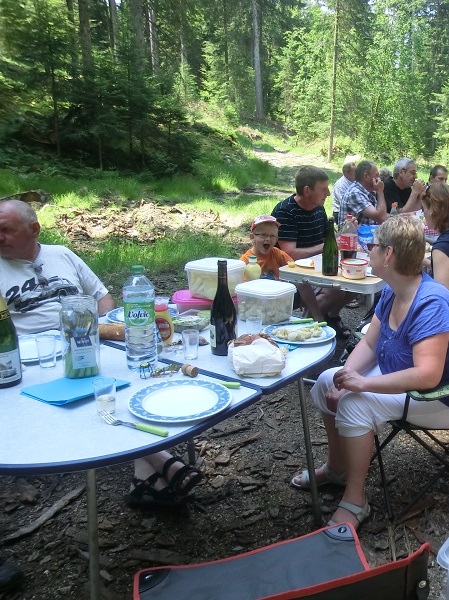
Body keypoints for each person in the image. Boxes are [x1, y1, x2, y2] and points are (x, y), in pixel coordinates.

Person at [0, 200, 203, 507]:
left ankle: (146, 480)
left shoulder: (61, 254)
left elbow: (102, 298)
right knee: (102, 393)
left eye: (6, 230)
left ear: (34, 229)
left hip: (89, 345)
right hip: (39, 360)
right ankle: (164, 463)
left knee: (129, 382)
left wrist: (105, 331)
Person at [290, 216, 449, 528]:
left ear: (389, 254)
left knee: (355, 403)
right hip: (408, 381)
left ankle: (355, 501)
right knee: (329, 380)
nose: (369, 250)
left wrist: (363, 384)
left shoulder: (430, 302)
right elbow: (370, 343)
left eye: (374, 245)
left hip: (448, 397)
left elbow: (428, 375)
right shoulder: (395, 290)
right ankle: (338, 469)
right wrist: (347, 378)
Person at [271, 166, 350, 336]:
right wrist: (326, 246)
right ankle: (306, 327)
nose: (328, 193)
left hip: (316, 268)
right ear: (307, 190)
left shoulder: (318, 209)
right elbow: (290, 254)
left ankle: (330, 317)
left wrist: (345, 232)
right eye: (323, 189)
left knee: (353, 283)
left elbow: (328, 241)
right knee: (337, 290)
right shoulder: (285, 211)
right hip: (291, 271)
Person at [239, 215, 292, 280]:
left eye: (272, 236)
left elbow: (294, 268)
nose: (268, 239)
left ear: (276, 240)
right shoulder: (245, 262)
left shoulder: (277, 254)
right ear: (252, 237)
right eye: (263, 235)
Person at [339, 160, 388, 229]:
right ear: (366, 176)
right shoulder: (355, 193)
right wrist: (380, 191)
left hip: (365, 234)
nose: (379, 179)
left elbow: (381, 216)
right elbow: (381, 218)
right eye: (377, 175)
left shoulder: (368, 192)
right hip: (352, 235)